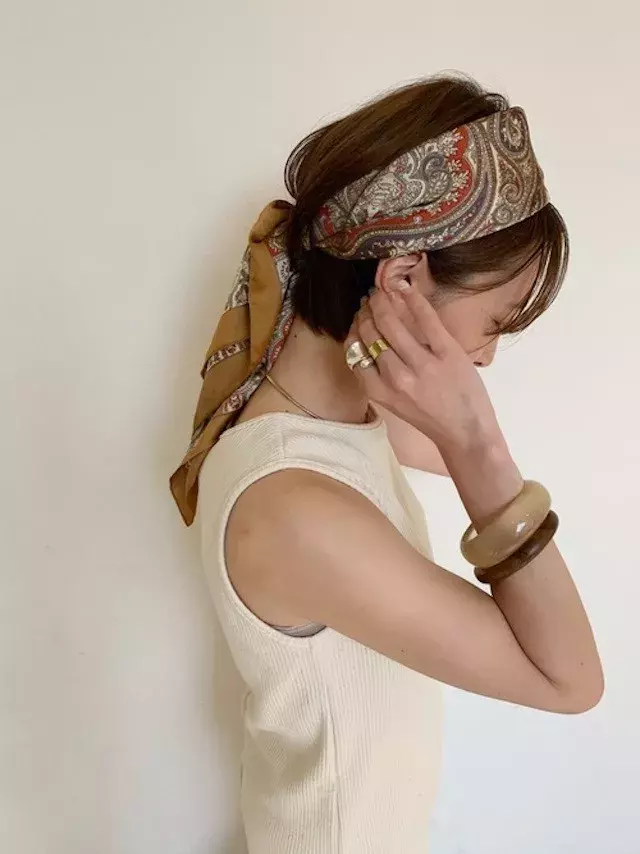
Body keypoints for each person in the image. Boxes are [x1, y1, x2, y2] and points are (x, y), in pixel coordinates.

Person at [171, 75, 603, 854]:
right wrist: (477, 440)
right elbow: (570, 679)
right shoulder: (294, 508)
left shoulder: (341, 421)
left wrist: (455, 424)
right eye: (496, 322)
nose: (487, 357)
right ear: (402, 279)